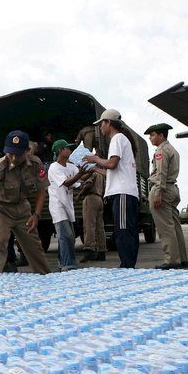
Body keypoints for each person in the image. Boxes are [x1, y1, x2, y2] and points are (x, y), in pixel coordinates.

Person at [0, 130, 51, 274]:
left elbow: (42, 190)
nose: (13, 157)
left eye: (17, 154)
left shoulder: (36, 164)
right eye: (10, 153)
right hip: (1, 209)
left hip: (23, 209)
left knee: (34, 246)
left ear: (27, 151)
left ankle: (45, 277)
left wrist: (36, 215)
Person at [84, 109, 140, 268]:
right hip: (126, 192)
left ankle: (127, 266)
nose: (100, 127)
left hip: (122, 193)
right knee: (128, 230)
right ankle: (129, 264)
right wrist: (95, 168)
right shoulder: (123, 139)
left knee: (122, 231)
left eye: (102, 123)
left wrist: (95, 158)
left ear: (108, 123)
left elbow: (112, 164)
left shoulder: (116, 139)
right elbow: (113, 171)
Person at [145, 123, 188, 270]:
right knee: (175, 226)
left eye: (152, 135)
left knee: (165, 228)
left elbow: (161, 173)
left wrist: (158, 192)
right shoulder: (173, 150)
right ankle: (182, 259)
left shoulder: (161, 151)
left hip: (162, 189)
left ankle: (171, 260)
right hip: (172, 189)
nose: (150, 138)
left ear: (161, 135)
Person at [48, 140, 85, 271]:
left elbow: (80, 177)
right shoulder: (54, 167)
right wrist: (80, 174)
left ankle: (62, 262)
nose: (69, 151)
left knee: (65, 236)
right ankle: (67, 265)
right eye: (67, 148)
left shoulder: (70, 167)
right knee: (66, 236)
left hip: (68, 206)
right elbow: (67, 183)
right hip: (58, 205)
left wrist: (90, 168)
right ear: (60, 151)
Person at [78, 168, 107, 262]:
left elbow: (88, 185)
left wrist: (79, 195)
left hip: (90, 198)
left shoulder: (91, 172)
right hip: (99, 199)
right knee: (100, 227)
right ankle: (102, 251)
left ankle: (89, 251)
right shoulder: (100, 173)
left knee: (89, 225)